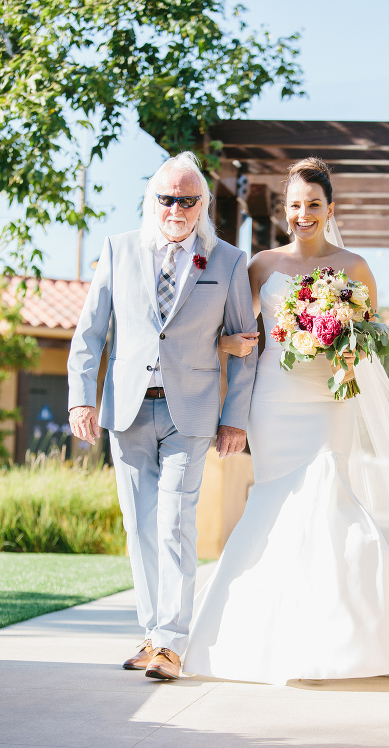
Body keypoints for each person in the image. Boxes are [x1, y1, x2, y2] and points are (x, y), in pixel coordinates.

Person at [182, 157, 389, 684]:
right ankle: (267, 637)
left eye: (314, 205)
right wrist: (225, 355)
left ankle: (347, 639)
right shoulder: (260, 266)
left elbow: (368, 342)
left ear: (331, 209)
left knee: (330, 498)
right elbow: (238, 334)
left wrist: (342, 351)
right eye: (295, 205)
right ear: (285, 209)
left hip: (331, 403)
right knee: (278, 505)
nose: (303, 214)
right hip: (274, 405)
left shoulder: (355, 268)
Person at [67, 151, 257, 680]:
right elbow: (90, 334)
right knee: (140, 527)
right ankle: (152, 634)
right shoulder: (118, 249)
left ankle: (173, 643)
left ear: (202, 205)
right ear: (151, 201)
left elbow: (247, 346)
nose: (175, 207)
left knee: (173, 522)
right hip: (126, 410)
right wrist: (81, 398)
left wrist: (235, 417)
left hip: (190, 413)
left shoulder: (227, 262)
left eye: (187, 199)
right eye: (166, 198)